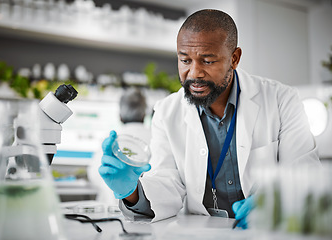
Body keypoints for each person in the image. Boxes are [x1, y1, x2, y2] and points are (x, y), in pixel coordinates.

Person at [98, 9, 320, 227]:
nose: (194, 73)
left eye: (207, 61)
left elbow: (304, 177)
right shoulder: (167, 112)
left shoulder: (281, 100)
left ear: (234, 58)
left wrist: (272, 202)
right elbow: (167, 183)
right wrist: (131, 191)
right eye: (185, 60)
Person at [88, 87, 151, 205]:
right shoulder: (156, 137)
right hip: (148, 212)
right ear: (144, 114)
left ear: (120, 115)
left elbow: (94, 175)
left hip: (110, 210)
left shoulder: (110, 139)